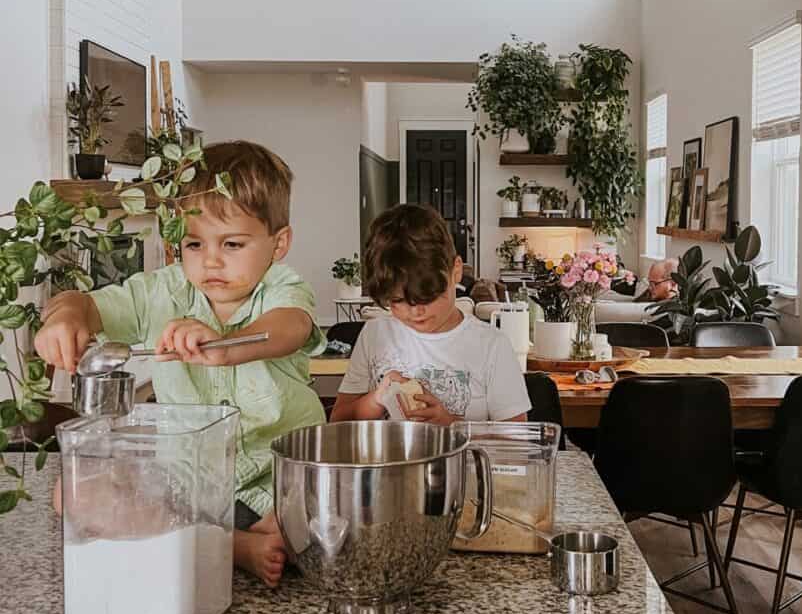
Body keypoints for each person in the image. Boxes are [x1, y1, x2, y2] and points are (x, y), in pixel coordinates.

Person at [35, 141, 326, 587]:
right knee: (70, 493)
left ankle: (224, 538)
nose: (210, 260)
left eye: (232, 243)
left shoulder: (282, 287)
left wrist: (225, 344)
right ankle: (230, 545)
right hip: (189, 482)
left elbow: (291, 327)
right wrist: (65, 318)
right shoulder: (160, 292)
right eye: (193, 243)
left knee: (327, 527)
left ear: (278, 243)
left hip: (278, 481)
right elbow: (82, 303)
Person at [332, 203, 530, 424]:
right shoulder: (375, 334)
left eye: (428, 297)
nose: (416, 312)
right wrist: (376, 399)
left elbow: (516, 440)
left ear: (455, 271)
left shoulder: (492, 346)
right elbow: (338, 420)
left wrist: (452, 426)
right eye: (398, 301)